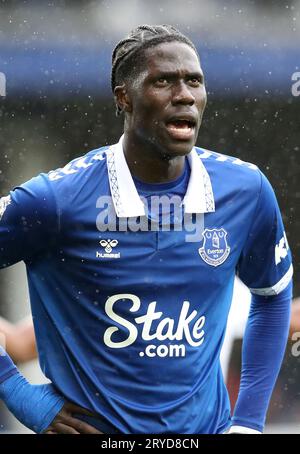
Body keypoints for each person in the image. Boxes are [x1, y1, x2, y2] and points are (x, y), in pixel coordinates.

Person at [0, 24, 293, 434]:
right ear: (124, 98)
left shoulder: (245, 190)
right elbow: (16, 342)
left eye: (194, 81)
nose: (185, 95)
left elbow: (274, 297)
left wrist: (247, 422)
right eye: (163, 82)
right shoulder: (55, 200)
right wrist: (16, 390)